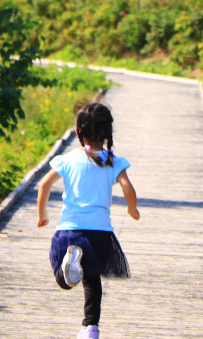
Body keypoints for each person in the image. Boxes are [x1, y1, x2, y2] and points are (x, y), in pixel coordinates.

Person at [37, 102, 140, 339]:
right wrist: (132, 209)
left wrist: (43, 214)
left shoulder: (68, 159)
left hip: (69, 231)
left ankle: (66, 271)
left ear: (77, 132)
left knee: (64, 278)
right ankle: (90, 328)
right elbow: (128, 188)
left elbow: (44, 184)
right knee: (92, 281)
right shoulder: (113, 161)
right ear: (107, 134)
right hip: (100, 234)